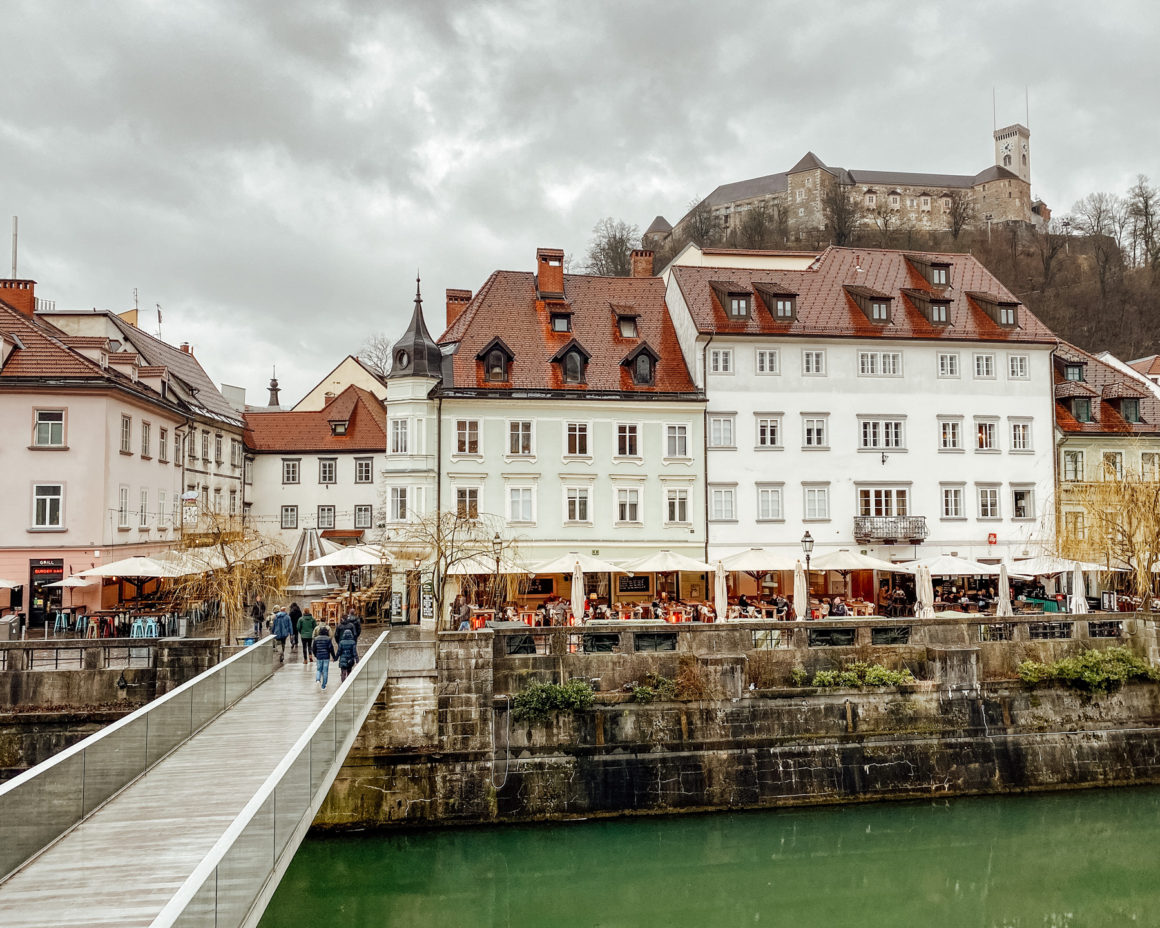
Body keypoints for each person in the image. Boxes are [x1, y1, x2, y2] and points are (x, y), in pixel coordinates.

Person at [312, 623, 337, 690]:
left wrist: (315, 655)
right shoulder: (328, 639)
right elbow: (331, 648)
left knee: (319, 669)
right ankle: (324, 685)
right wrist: (334, 657)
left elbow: (314, 648)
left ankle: (317, 679)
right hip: (326, 656)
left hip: (319, 656)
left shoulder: (316, 639)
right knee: (325, 670)